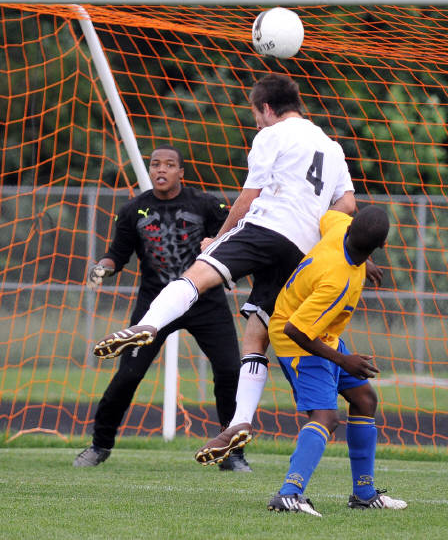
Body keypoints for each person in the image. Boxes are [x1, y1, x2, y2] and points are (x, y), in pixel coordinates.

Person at [91, 73, 358, 466]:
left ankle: (147, 325)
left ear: (266, 108)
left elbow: (249, 198)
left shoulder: (272, 135)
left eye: (256, 115)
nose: (257, 122)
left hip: (267, 227)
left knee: (197, 275)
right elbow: (347, 206)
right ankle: (240, 420)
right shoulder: (332, 148)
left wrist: (219, 238)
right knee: (257, 333)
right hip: (302, 248)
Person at [74, 145, 251, 472]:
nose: (161, 169)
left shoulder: (206, 204)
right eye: (155, 164)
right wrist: (102, 267)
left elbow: (235, 237)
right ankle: (100, 445)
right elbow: (116, 255)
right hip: (155, 306)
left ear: (181, 172)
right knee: (128, 375)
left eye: (169, 165)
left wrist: (220, 247)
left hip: (205, 302)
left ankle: (232, 454)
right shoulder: (133, 209)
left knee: (229, 372)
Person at [267, 205, 407, 517]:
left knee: (364, 399)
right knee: (326, 417)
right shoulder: (337, 280)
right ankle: (289, 494)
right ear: (382, 245)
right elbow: (295, 330)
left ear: (350, 227)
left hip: (321, 334)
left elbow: (328, 216)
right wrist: (343, 360)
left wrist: (364, 260)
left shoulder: (340, 226)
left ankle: (364, 495)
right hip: (297, 341)